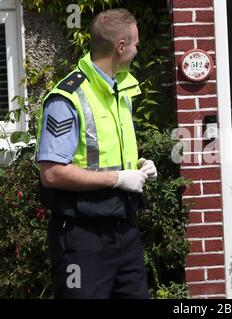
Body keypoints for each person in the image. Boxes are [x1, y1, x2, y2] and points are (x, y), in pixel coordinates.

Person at [35, 9, 157, 299]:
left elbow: (104, 153)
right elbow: (51, 173)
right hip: (82, 238)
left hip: (125, 232)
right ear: (121, 47)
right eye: (136, 44)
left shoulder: (120, 91)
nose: (138, 50)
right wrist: (118, 179)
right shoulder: (67, 97)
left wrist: (138, 167)